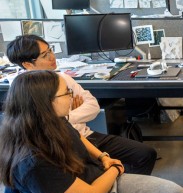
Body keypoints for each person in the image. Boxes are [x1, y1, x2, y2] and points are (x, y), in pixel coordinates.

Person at [0, 70, 183, 193]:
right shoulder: (34, 162)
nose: (72, 98)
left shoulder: (50, 120)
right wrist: (115, 168)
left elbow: (77, 137)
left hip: (96, 176)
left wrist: (103, 156)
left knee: (178, 192)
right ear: (46, 103)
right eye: (67, 93)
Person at [6, 35, 157, 175]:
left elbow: (93, 106)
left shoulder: (62, 78)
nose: (52, 56)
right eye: (45, 55)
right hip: (59, 144)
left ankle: (125, 187)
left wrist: (66, 116)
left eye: (50, 50)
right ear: (27, 64)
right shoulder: (21, 89)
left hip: (85, 136)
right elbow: (42, 125)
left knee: (145, 154)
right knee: (94, 171)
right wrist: (72, 116)